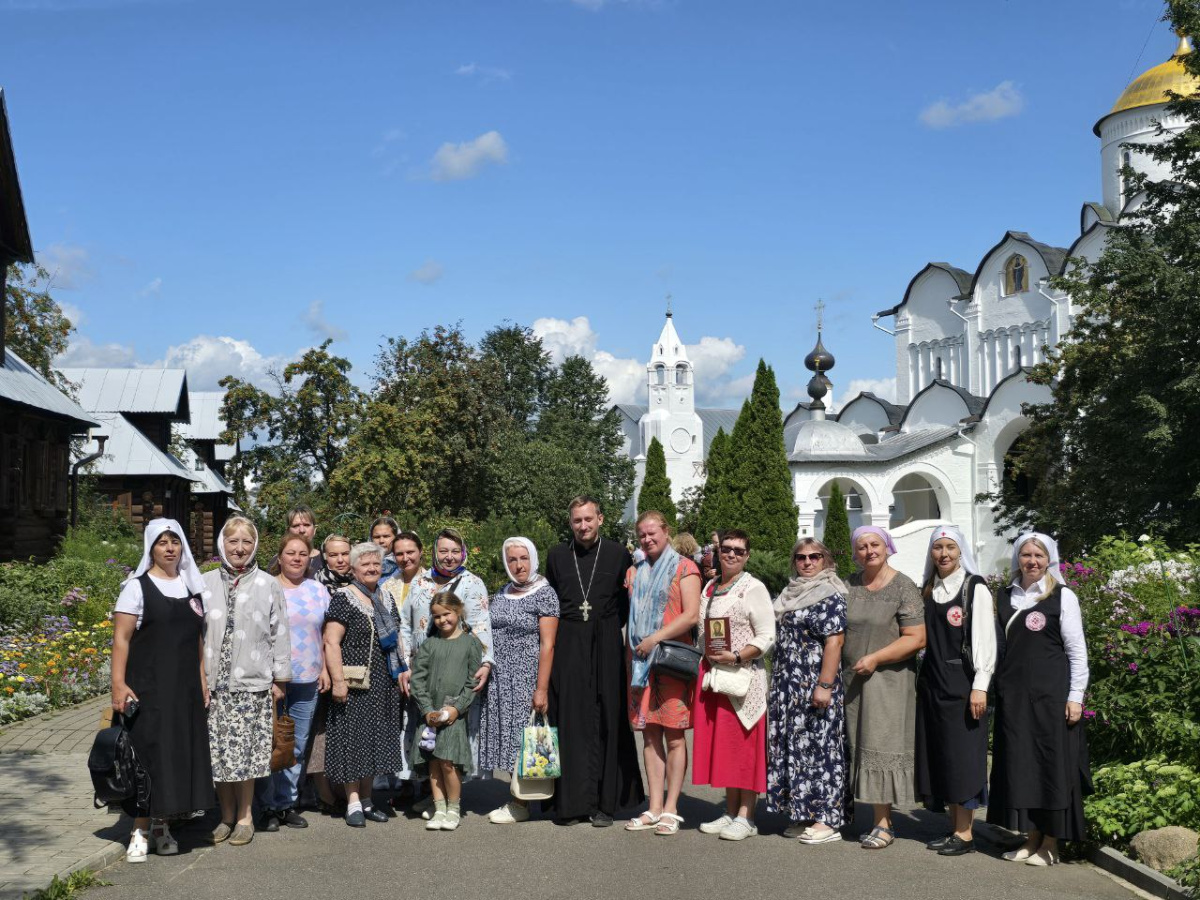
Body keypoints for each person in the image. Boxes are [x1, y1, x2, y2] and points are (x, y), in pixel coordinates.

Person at [111, 519, 216, 863]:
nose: (170, 548)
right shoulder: (136, 587)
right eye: (162, 542)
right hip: (149, 689)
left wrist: (202, 679)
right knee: (147, 758)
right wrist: (118, 684)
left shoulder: (190, 587)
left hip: (184, 690)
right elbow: (121, 639)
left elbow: (197, 640)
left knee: (175, 757)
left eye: (175, 541)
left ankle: (162, 827)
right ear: (151, 548)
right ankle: (139, 830)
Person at [987, 532, 1091, 867]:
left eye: (1039, 556)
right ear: (1017, 558)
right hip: (1015, 699)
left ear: (1050, 560)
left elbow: (1077, 652)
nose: (1032, 561)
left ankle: (1050, 844)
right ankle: (1030, 838)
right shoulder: (1005, 596)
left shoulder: (1063, 596)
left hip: (1051, 698)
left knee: (1051, 768)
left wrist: (1076, 697)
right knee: (1023, 768)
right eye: (1026, 554)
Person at [544, 497, 644, 827]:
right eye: (577, 520)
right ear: (570, 523)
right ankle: (570, 804)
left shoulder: (617, 554)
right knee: (570, 717)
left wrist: (611, 633)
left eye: (588, 519)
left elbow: (627, 604)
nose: (583, 526)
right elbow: (551, 601)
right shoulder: (557, 556)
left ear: (600, 519)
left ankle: (605, 804)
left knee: (607, 717)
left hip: (606, 639)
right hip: (569, 641)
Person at [203, 517, 291, 846]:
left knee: (246, 755)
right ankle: (225, 816)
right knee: (218, 755)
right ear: (222, 545)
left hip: (252, 684)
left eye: (246, 542)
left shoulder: (268, 584)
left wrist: (280, 679)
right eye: (233, 541)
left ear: (255, 546)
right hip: (213, 685)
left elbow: (280, 633)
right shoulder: (204, 582)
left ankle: (245, 817)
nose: (239, 548)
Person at [915, 525, 998, 857]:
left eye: (950, 547)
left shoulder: (974, 587)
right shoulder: (929, 589)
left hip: (963, 684)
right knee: (943, 757)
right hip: (933, 684)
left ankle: (965, 835)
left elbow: (985, 639)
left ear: (960, 551)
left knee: (963, 758)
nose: (944, 553)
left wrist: (980, 686)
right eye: (938, 548)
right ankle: (954, 828)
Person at [842, 525, 926, 849]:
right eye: (862, 546)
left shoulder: (903, 586)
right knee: (858, 745)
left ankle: (884, 824)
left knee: (880, 745)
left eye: (875, 544)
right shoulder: (849, 584)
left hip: (888, 680)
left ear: (887, 547)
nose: (869, 551)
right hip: (852, 680)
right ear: (855, 552)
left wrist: (876, 658)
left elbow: (916, 638)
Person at [400, 528, 493, 815]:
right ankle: (434, 795)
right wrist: (405, 665)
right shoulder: (420, 582)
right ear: (434, 552)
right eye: (443, 551)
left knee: (450, 732)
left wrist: (486, 662)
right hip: (423, 671)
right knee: (426, 731)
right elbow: (406, 624)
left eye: (455, 551)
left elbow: (481, 624)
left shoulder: (472, 583)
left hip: (456, 670)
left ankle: (451, 800)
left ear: (463, 553)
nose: (449, 557)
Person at [693, 529, 776, 841]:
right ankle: (730, 812)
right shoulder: (711, 586)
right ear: (718, 551)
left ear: (747, 556)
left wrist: (738, 655)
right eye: (726, 549)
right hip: (716, 678)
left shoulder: (753, 588)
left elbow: (767, 636)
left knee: (745, 748)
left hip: (743, 678)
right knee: (727, 748)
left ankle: (746, 816)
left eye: (739, 551)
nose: (731, 554)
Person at [766, 537, 849, 844]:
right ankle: (804, 813)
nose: (808, 562)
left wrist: (824, 685)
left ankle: (828, 819)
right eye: (801, 557)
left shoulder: (830, 593)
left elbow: (834, 642)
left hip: (815, 682)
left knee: (821, 748)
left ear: (825, 560)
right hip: (788, 684)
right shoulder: (789, 593)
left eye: (815, 556)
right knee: (797, 749)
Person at [624, 510, 701, 836]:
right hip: (641, 665)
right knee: (649, 734)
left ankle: (671, 808)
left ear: (666, 532)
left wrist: (655, 638)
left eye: (652, 533)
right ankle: (654, 807)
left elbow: (691, 615)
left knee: (674, 736)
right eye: (642, 534)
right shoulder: (634, 572)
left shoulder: (685, 568)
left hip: (670, 662)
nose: (647, 539)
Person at [323, 542, 407, 827]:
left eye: (376, 564)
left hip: (384, 683)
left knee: (374, 741)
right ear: (354, 568)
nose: (372, 568)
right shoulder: (344, 597)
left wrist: (402, 670)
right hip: (354, 683)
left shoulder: (385, 597)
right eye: (365, 564)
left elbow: (396, 638)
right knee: (353, 741)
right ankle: (353, 803)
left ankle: (368, 800)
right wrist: (338, 682)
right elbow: (331, 641)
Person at [480, 538, 560, 824]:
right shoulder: (503, 591)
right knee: (510, 736)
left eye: (523, 558)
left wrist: (541, 688)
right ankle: (516, 796)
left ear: (533, 558)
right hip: (500, 678)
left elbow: (548, 645)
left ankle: (520, 804)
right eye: (512, 559)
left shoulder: (544, 593)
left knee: (524, 738)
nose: (518, 565)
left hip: (527, 676)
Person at [257, 534, 332, 831]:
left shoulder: (318, 590)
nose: (297, 558)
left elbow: (325, 633)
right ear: (280, 557)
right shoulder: (267, 586)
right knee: (271, 743)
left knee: (296, 745)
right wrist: (274, 678)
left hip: (308, 677)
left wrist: (325, 669)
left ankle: (286, 804)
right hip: (274, 680)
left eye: (303, 554)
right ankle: (267, 806)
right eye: (291, 553)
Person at [409, 592, 485, 831]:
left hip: (453, 716)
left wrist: (456, 708)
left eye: (446, 614)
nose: (442, 620)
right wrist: (426, 710)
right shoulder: (429, 644)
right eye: (437, 616)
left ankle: (453, 809)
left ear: (458, 611)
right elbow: (417, 680)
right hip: (430, 715)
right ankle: (439, 808)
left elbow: (473, 682)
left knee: (448, 762)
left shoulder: (471, 644)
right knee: (433, 762)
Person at [269, 505, 324, 577]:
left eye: (306, 525)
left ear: (314, 530)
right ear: (288, 531)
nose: (302, 530)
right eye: (296, 526)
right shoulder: (277, 561)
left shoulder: (326, 560)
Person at [369, 516, 400, 583]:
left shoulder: (404, 563)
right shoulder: (362, 565)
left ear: (396, 537)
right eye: (377, 537)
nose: (381, 541)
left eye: (386, 536)